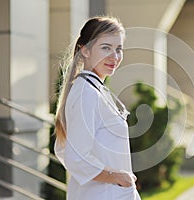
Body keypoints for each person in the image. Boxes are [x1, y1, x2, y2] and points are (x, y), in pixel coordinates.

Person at [54, 16, 141, 200]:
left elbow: (64, 150)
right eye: (105, 48)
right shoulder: (86, 94)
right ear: (85, 50)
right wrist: (117, 176)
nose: (114, 57)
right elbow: (75, 157)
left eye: (118, 49)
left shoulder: (94, 90)